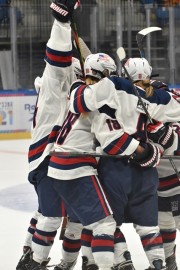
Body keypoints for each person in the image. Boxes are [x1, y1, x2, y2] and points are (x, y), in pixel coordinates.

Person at [69, 56, 180, 270]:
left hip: (112, 168)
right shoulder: (158, 96)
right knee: (149, 227)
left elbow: (79, 104)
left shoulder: (111, 88)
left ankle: (104, 262)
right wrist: (150, 150)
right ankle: (158, 264)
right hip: (147, 171)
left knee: (104, 224)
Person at [16, 1, 84, 270]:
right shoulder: (56, 82)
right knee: (52, 216)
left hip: (69, 159)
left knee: (67, 217)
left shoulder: (76, 90)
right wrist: (62, 24)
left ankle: (32, 256)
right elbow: (57, 58)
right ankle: (34, 262)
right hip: (49, 156)